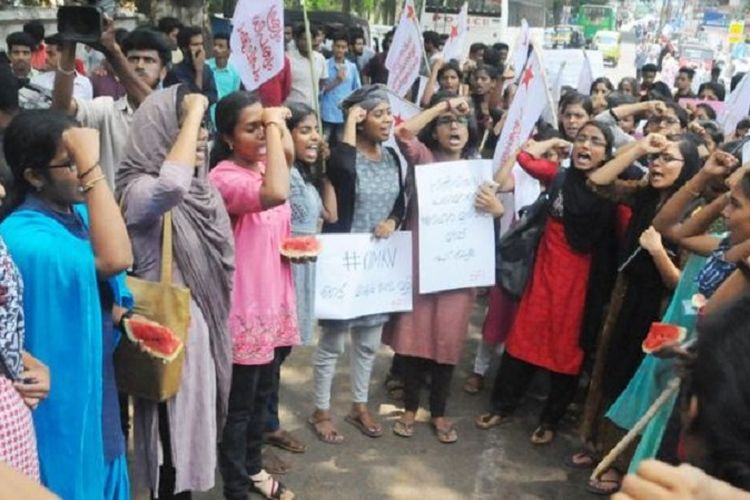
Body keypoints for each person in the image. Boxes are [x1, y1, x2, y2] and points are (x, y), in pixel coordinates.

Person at [1, 111, 132, 498]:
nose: (82, 173)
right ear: (33, 176)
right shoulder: (22, 236)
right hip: (57, 402)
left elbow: (112, 281)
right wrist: (91, 166)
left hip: (97, 383)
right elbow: (115, 259)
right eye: (70, 162)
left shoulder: (78, 212)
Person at [116, 87, 234, 498]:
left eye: (203, 129)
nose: (200, 136)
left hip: (201, 332)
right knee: (168, 449)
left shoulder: (205, 190)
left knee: (193, 437)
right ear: (159, 130)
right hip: (166, 332)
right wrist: (196, 107)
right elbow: (172, 186)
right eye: (186, 128)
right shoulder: (137, 190)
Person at [475, 122, 617, 446]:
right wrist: (555, 140)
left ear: (608, 155)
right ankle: (503, 406)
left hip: (580, 288)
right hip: (542, 276)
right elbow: (525, 157)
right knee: (524, 339)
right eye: (581, 138)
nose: (586, 145)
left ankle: (550, 419)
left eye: (596, 142)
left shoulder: (614, 194)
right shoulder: (560, 177)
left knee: (567, 351)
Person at [578, 133, 701, 495]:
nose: (658, 165)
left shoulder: (694, 217)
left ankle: (620, 463)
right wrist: (639, 149)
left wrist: (658, 250)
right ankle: (598, 445)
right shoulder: (644, 192)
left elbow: (684, 285)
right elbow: (597, 183)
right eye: (657, 158)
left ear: (689, 170)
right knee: (610, 367)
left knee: (640, 381)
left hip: (662, 311)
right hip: (626, 296)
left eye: (669, 159)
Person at [384, 93, 501, 444]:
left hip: (459, 270)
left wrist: (495, 210)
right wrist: (445, 106)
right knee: (415, 338)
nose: (455, 128)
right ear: (435, 132)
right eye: (448, 124)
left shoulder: (480, 171)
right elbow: (404, 133)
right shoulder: (424, 159)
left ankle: (438, 412)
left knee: (447, 343)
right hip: (423, 264)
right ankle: (409, 408)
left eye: (461, 124)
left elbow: (492, 217)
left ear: (470, 134)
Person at [209, 91, 297, 500]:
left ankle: (254, 469)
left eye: (266, 126)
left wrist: (273, 124)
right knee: (239, 410)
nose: (264, 135)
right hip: (244, 310)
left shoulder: (265, 165)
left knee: (262, 400)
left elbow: (291, 159)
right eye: (252, 128)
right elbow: (277, 193)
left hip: (274, 303)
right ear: (227, 138)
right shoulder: (223, 178)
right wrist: (276, 122)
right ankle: (236, 487)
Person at [308, 85, 405, 444]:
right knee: (332, 343)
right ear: (361, 119)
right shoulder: (341, 157)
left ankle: (359, 405)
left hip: (377, 267)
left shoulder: (393, 158)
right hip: (344, 264)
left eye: (389, 113)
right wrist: (348, 119)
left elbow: (401, 201)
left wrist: (394, 221)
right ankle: (320, 409)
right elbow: (344, 172)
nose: (388, 121)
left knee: (368, 343)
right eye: (378, 114)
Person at [53, 26, 170, 187]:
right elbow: (62, 108)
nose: (140, 65)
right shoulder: (106, 109)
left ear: (163, 72)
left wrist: (113, 52)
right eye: (133, 59)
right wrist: (69, 47)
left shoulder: (175, 109)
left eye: (149, 60)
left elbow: (153, 107)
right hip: (112, 210)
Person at [285, 102, 337, 345]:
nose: (316, 136)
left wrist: (323, 170)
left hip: (304, 267)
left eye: (316, 129)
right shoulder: (285, 173)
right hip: (286, 269)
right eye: (305, 130)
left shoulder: (305, 174)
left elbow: (331, 215)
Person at [320, 31, 361, 143]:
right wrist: (336, 81)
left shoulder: (352, 67)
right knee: (323, 143)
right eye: (337, 46)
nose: (340, 50)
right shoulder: (325, 64)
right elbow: (319, 91)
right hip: (327, 112)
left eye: (343, 47)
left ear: (347, 49)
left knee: (343, 144)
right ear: (332, 47)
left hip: (344, 113)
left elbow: (357, 90)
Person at [31, 34, 93, 103]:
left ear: (66, 54)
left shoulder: (84, 83)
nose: (46, 58)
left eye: (51, 54)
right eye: (46, 53)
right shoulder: (38, 81)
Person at [163, 26, 218, 104]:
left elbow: (213, 97)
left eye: (201, 44)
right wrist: (199, 72)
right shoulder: (175, 73)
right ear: (184, 48)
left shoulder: (207, 69)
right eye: (195, 45)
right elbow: (191, 102)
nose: (200, 48)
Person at [286, 24, 328, 107]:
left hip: (313, 109)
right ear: (296, 40)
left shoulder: (320, 59)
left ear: (314, 40)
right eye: (303, 39)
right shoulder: (287, 59)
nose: (307, 42)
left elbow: (322, 81)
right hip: (292, 109)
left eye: (310, 39)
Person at [206, 32, 241, 123]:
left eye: (221, 46)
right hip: (207, 116)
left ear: (229, 50)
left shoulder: (235, 73)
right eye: (215, 45)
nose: (216, 49)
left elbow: (234, 99)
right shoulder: (205, 67)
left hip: (224, 118)